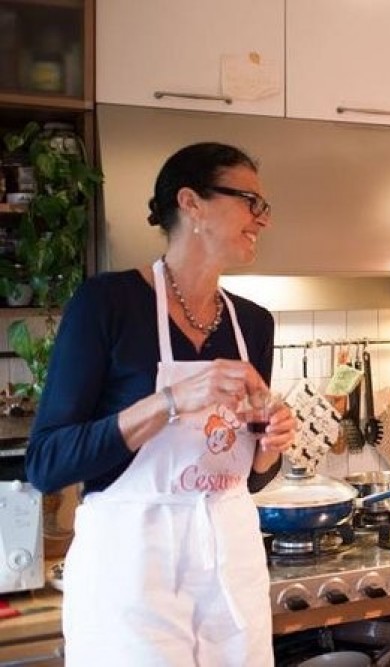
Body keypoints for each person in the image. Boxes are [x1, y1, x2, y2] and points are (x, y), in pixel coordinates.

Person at [26, 142, 297, 666]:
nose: (261, 219)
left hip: (230, 564)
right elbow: (48, 462)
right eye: (249, 201)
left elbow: (249, 473)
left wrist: (270, 446)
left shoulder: (254, 323)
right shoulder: (106, 305)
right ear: (191, 203)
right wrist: (169, 401)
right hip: (132, 572)